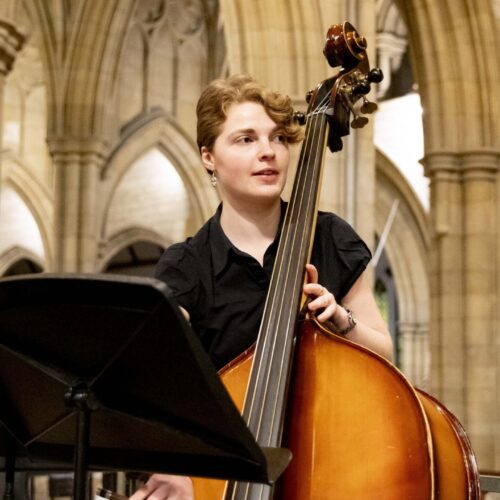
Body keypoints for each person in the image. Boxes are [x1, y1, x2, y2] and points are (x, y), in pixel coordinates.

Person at [130, 74, 392, 500]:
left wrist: (341, 321)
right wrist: (173, 468)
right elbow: (154, 385)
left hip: (326, 464)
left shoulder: (330, 238)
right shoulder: (187, 266)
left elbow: (385, 353)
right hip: (221, 476)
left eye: (278, 138)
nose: (268, 151)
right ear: (208, 156)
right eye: (246, 139)